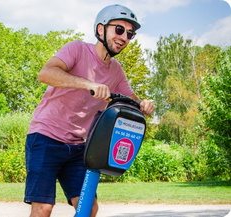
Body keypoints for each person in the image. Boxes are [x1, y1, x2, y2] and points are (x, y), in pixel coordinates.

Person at [24, 4, 155, 217]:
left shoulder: (116, 70)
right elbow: (46, 74)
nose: (124, 37)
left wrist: (144, 104)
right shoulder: (77, 49)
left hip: (78, 147)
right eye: (119, 30)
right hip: (45, 136)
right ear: (101, 29)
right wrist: (88, 84)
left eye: (130, 34)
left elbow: (132, 100)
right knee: (43, 208)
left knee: (89, 207)